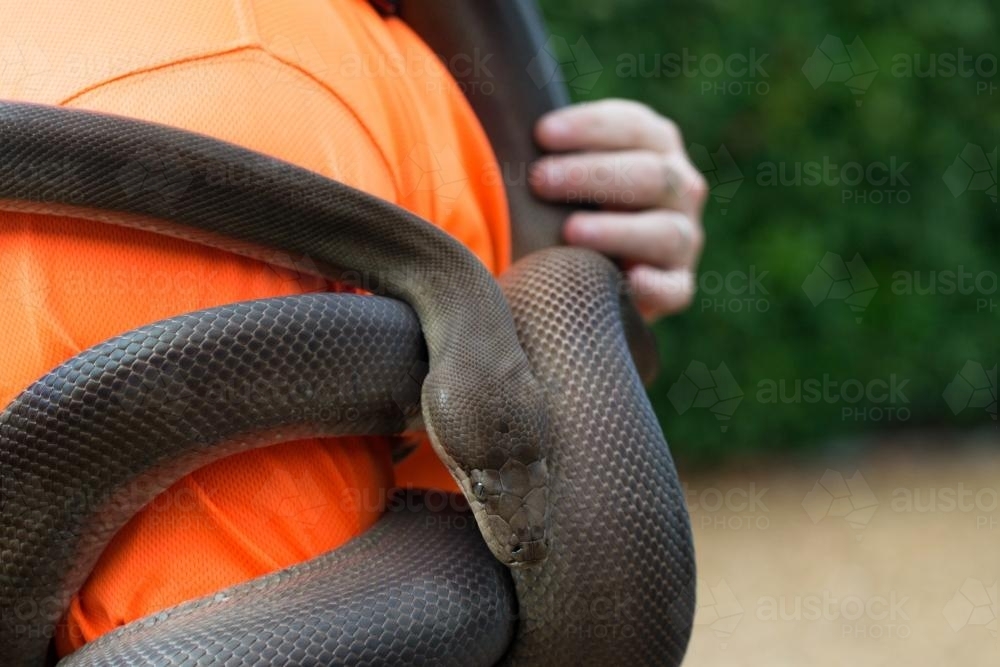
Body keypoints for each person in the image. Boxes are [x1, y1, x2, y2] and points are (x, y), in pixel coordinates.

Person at [0, 0, 706, 655]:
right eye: (485, 483)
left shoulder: (383, 88)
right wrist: (577, 322)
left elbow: (497, 345)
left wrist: (597, 281)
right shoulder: (248, 97)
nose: (524, 536)